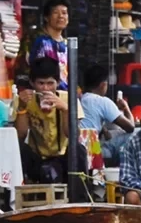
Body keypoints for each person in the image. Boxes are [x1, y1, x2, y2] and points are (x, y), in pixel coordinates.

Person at [15, 57, 87, 188]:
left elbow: (73, 136)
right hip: (38, 158)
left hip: (62, 158)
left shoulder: (68, 98)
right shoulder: (25, 99)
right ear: (32, 83)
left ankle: (79, 198)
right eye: (40, 83)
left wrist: (65, 109)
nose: (45, 88)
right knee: (18, 149)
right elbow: (20, 135)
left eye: (50, 83)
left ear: (58, 82)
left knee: (78, 150)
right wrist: (21, 108)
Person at [79, 63, 135, 160]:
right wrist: (126, 108)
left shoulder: (81, 98)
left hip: (79, 149)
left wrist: (104, 130)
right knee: (133, 135)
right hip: (92, 152)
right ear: (103, 85)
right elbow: (130, 127)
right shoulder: (102, 101)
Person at [29, 0, 70, 90]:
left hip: (63, 95)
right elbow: (24, 68)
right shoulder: (36, 39)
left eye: (64, 13)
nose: (61, 16)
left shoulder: (67, 44)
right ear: (46, 17)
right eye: (56, 12)